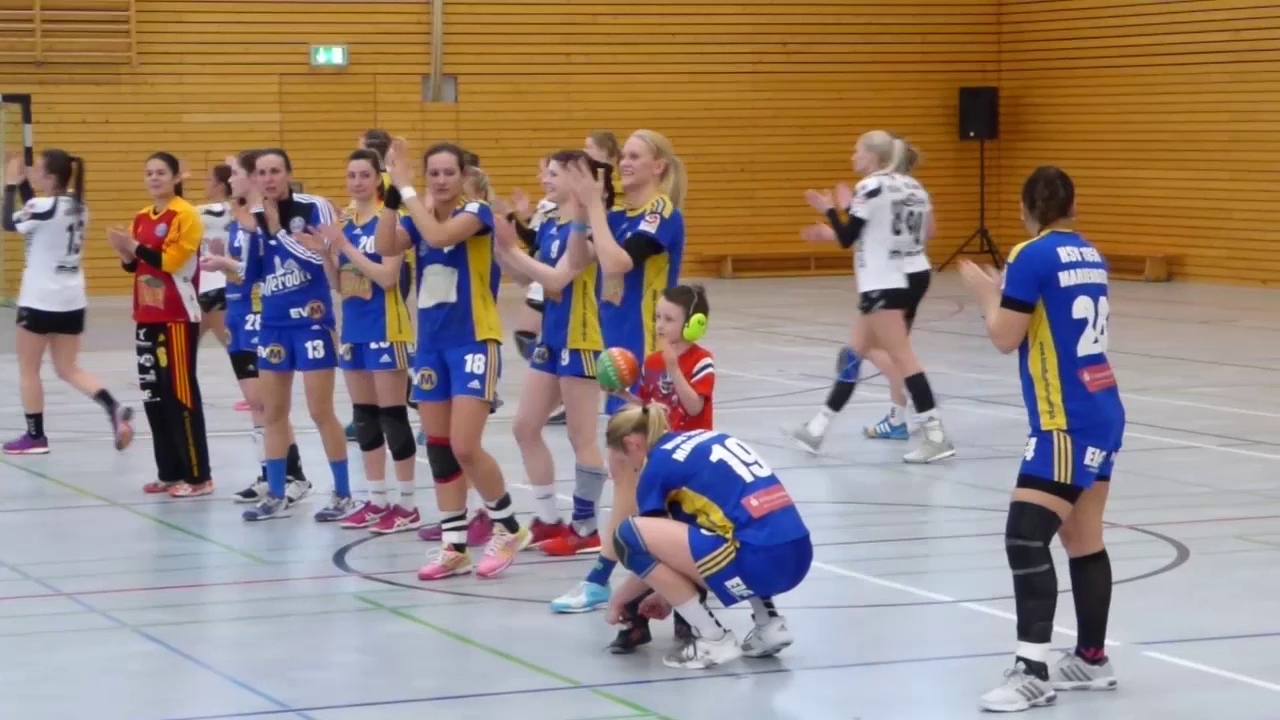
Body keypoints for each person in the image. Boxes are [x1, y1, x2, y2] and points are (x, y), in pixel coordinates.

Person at [958, 166, 1123, 712]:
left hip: (1064, 419)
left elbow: (1006, 336)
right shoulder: (1090, 253)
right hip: (1102, 406)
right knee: (1083, 538)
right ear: (1073, 207)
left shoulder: (1030, 254)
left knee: (1025, 538)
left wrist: (988, 294)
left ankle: (1032, 671)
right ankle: (1091, 658)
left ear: (1026, 208)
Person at [378, 140, 528, 579]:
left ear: (463, 177)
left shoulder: (476, 213)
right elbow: (385, 244)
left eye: (449, 172)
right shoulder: (418, 215)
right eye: (434, 173)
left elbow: (440, 236)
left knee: (465, 445)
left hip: (473, 342)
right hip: (430, 347)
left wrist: (408, 191)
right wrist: (393, 194)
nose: (441, 180)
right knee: (441, 450)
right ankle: (454, 547)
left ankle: (510, 528)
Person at [552, 282, 715, 619]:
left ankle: (611, 580)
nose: (660, 325)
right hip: (660, 458)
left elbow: (694, 406)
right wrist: (625, 395)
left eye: (669, 319)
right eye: (658, 317)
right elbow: (651, 408)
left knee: (656, 525)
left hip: (690, 463)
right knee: (623, 466)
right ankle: (616, 583)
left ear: (693, 325)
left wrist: (674, 369)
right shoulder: (652, 361)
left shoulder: (702, 361)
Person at [604, 405, 811, 669]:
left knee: (628, 536)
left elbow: (657, 551)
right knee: (733, 526)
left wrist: (620, 599)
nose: (631, 469)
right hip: (798, 553)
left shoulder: (656, 468)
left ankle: (713, 639)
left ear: (631, 444)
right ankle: (769, 624)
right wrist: (666, 594)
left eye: (625, 461)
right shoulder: (706, 438)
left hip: (757, 564)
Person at [793, 130, 953, 463]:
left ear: (873, 155)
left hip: (884, 280)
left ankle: (936, 435)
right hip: (915, 273)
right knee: (854, 353)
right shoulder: (914, 186)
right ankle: (817, 428)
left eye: (857, 151)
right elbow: (928, 231)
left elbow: (847, 238)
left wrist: (830, 210)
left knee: (902, 357)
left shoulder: (870, 186)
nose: (853, 157)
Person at [493, 149, 612, 557]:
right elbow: (530, 279)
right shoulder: (549, 222)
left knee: (581, 436)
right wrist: (502, 249)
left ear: (578, 179)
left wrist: (513, 252)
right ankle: (547, 519)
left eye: (555, 174)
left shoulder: (591, 225)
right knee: (525, 427)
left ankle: (586, 528)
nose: (545, 179)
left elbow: (559, 280)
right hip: (552, 337)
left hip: (582, 338)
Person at [236, 148, 352, 522]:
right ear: (255, 179)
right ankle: (275, 493)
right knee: (273, 412)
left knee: (320, 411)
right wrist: (251, 235)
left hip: (311, 322)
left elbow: (320, 259)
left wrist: (277, 231)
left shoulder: (314, 207)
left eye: (275, 171)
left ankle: (343, 494)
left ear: (288, 173)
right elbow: (250, 275)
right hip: (273, 325)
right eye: (262, 173)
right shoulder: (255, 216)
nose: (269, 179)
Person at [2, 150, 134, 455]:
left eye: (37, 169)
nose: (32, 171)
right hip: (71, 301)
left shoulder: (41, 207)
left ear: (50, 177)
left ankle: (35, 437)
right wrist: (23, 185)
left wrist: (9, 185)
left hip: (39, 300)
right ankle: (113, 406)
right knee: (68, 368)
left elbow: (8, 222)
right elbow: (41, 216)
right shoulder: (79, 205)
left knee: (28, 369)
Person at [200, 150, 311, 505]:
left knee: (266, 401)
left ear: (251, 177)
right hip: (236, 312)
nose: (230, 179)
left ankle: (293, 474)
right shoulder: (237, 217)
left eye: (234, 173)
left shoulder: (262, 219)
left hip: (258, 313)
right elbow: (241, 267)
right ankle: (268, 472)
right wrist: (224, 262)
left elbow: (263, 267)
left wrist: (226, 262)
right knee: (256, 403)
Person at [322, 148, 421, 534]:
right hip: (354, 331)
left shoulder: (388, 220)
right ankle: (377, 500)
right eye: (351, 175)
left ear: (378, 180)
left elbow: (387, 278)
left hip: (387, 329)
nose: (357, 182)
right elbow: (339, 285)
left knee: (392, 418)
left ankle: (407, 504)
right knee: (364, 419)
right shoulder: (345, 224)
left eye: (364, 175)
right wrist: (325, 254)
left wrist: (344, 248)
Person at [106, 151, 211, 497]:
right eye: (149, 173)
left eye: (161, 172)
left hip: (176, 316)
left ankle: (198, 476)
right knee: (154, 396)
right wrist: (124, 252)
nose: (154, 178)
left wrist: (134, 246)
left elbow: (172, 262)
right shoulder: (141, 216)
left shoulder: (185, 214)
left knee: (180, 394)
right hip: (147, 316)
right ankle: (169, 471)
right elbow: (137, 266)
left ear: (176, 177)